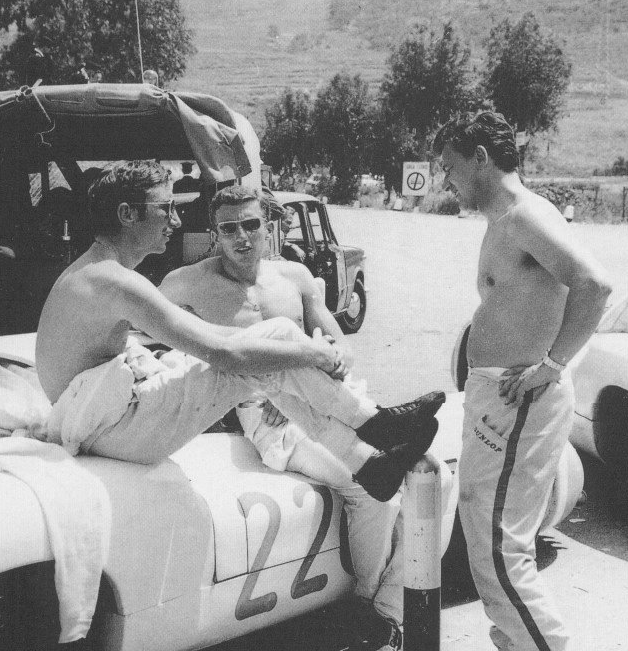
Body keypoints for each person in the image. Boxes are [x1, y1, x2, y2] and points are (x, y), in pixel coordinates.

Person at [35, 160, 444, 507]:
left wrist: (291, 348)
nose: (176, 221)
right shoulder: (116, 282)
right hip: (113, 430)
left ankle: (369, 460)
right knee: (271, 343)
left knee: (274, 338)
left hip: (103, 423)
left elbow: (217, 338)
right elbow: (224, 353)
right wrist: (313, 353)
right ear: (127, 214)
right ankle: (375, 427)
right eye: (166, 208)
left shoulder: (97, 273)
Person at [160, 185, 418, 651]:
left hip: (323, 399)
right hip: (266, 414)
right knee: (373, 487)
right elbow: (156, 349)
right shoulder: (185, 285)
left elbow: (340, 346)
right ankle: (369, 613)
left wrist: (335, 360)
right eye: (229, 228)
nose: (242, 237)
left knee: (427, 477)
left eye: (251, 224)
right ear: (214, 234)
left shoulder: (296, 278)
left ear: (269, 226)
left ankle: (382, 614)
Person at [432, 112, 612, 651]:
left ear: (481, 156)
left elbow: (595, 284)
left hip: (517, 400)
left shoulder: (523, 217)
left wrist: (552, 365)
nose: (446, 180)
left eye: (451, 167)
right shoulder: (505, 220)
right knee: (499, 535)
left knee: (495, 548)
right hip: (501, 396)